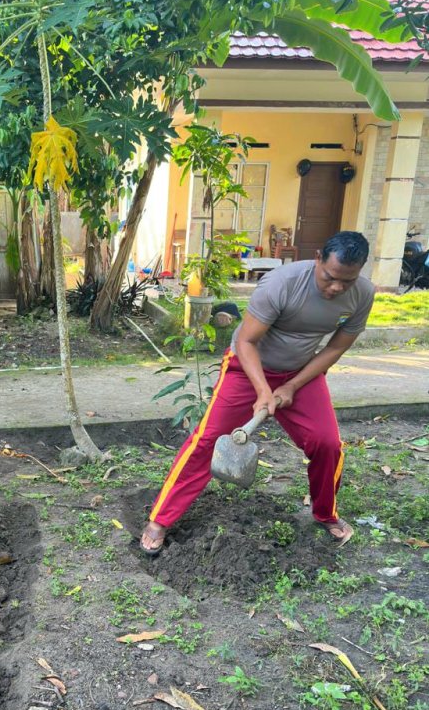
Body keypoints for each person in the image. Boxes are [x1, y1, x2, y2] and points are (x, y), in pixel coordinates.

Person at [141, 231, 375, 556]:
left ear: (359, 272)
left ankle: (325, 513)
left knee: (327, 443)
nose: (336, 287)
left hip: (301, 373)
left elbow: (336, 347)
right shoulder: (282, 283)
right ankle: (160, 519)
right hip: (247, 366)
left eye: (346, 282)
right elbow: (245, 342)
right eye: (330, 277)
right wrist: (264, 390)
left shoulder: (363, 294)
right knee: (208, 439)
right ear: (319, 258)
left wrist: (292, 386)